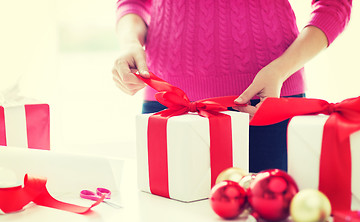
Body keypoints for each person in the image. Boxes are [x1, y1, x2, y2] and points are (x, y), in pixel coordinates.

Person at [112, 0, 352, 172]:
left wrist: (281, 69)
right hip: (168, 100)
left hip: (267, 98)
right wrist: (129, 42)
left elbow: (334, 4)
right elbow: (133, 3)